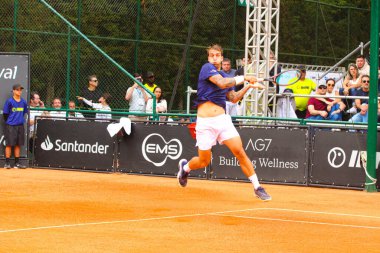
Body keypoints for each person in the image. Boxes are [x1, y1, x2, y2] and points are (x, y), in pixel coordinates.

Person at [177, 44, 271, 201]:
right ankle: (185, 168)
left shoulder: (225, 77)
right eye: (211, 55)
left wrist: (248, 86)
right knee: (203, 161)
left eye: (217, 55)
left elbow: (233, 98)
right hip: (205, 123)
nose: (214, 57)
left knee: (239, 151)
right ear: (209, 58)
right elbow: (222, 83)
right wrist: (245, 77)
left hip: (222, 120)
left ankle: (257, 187)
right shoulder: (207, 69)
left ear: (221, 57)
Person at [3, 84, 28, 169]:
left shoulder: (23, 102)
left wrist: (18, 120)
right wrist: (10, 122)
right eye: (17, 90)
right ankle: (7, 163)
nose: (19, 91)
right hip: (10, 125)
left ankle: (17, 163)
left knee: (18, 144)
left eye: (20, 90)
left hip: (20, 125)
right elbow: (5, 114)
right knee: (9, 144)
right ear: (13, 91)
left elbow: (24, 112)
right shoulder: (9, 101)